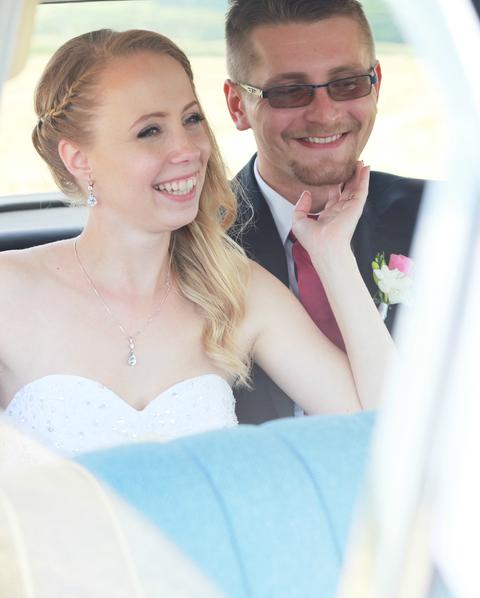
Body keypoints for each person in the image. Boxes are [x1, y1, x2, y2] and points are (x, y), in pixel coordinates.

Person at [0, 28, 392, 457]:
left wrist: (333, 255)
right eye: (150, 131)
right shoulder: (9, 291)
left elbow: (386, 429)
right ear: (79, 159)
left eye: (191, 120)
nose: (188, 149)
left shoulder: (236, 291)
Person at [224, 0, 424, 423]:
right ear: (238, 105)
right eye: (289, 91)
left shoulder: (449, 221)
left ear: (376, 83)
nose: (325, 113)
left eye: (347, 83)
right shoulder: (193, 243)